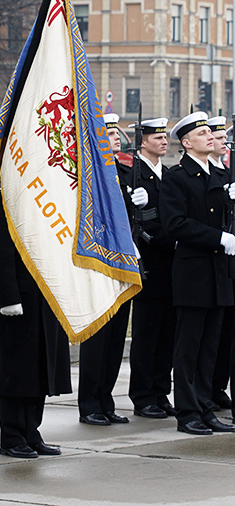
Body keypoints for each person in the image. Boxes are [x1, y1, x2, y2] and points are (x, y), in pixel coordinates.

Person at [160, 111, 235, 435]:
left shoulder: (216, 175)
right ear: (187, 142)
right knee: (189, 348)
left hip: (219, 274)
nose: (210, 136)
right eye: (202, 133)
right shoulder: (178, 177)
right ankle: (188, 411)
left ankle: (205, 408)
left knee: (210, 347)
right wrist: (218, 237)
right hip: (194, 274)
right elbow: (175, 224)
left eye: (210, 132)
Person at [0, 189, 72, 458]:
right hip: (20, 294)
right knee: (16, 367)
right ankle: (11, 435)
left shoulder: (48, 192)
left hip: (47, 291)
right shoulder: (6, 194)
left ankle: (31, 431)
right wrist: (8, 295)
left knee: (41, 366)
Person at [78, 113, 148, 426]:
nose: (116, 136)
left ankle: (105, 400)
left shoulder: (121, 172)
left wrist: (137, 204)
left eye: (117, 132)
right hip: (100, 263)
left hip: (124, 262)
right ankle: (89, 403)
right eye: (108, 132)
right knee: (99, 337)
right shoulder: (90, 175)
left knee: (117, 336)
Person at [128, 118, 176, 419]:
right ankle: (143, 395)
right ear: (143, 141)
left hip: (170, 265)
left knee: (167, 334)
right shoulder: (136, 174)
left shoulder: (166, 174)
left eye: (164, 136)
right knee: (146, 334)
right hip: (148, 263)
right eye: (157, 136)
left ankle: (160, 391)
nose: (163, 141)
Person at [206, 116, 233, 411]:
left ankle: (217, 386)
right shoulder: (201, 174)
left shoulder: (225, 171)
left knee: (223, 334)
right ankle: (207, 390)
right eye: (214, 136)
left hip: (228, 265)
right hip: (209, 263)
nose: (221, 140)